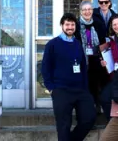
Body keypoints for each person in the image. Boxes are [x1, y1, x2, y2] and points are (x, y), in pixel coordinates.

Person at [41, 13, 96, 141]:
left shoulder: (77, 43)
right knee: (64, 125)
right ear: (62, 26)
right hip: (61, 90)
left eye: (72, 24)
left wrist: (85, 88)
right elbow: (45, 67)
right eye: (67, 24)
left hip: (80, 90)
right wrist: (51, 88)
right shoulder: (52, 44)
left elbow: (82, 66)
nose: (70, 27)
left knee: (89, 118)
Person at [75, 1, 109, 113]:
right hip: (81, 60)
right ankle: (86, 112)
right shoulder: (76, 25)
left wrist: (102, 53)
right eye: (84, 9)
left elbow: (105, 41)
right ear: (80, 11)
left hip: (96, 59)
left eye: (89, 9)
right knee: (84, 86)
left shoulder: (98, 24)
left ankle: (97, 108)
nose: (87, 11)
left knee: (97, 85)